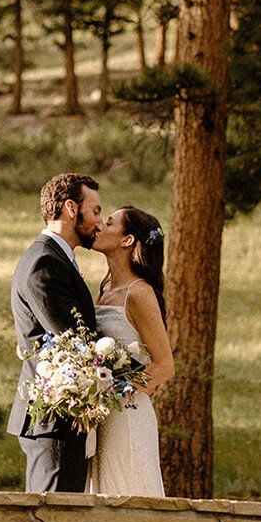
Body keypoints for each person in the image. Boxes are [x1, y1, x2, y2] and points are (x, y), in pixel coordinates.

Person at [9, 172, 104, 493]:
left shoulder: (55, 258)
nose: (99, 222)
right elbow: (73, 342)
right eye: (95, 211)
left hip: (61, 419)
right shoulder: (44, 264)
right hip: (54, 418)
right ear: (70, 208)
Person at [89, 205, 174, 497]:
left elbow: (164, 366)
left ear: (127, 240)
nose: (99, 226)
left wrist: (111, 393)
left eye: (110, 223)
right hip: (100, 417)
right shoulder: (104, 291)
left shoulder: (139, 293)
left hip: (126, 415)